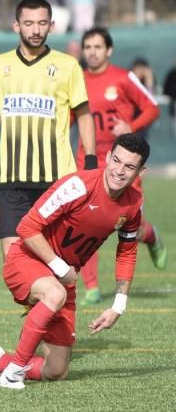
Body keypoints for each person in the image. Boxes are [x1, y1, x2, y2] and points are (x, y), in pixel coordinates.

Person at [0, 133, 150, 390]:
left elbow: (127, 251)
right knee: (54, 293)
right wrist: (59, 267)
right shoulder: (78, 185)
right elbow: (27, 227)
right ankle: (13, 373)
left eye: (129, 166)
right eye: (116, 160)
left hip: (63, 278)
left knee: (56, 371)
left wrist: (118, 306)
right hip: (27, 260)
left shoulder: (134, 204)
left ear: (141, 172)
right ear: (108, 157)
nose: (119, 171)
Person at [0, 0, 97, 259]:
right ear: (16, 26)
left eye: (42, 23)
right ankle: (37, 301)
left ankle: (52, 300)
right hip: (11, 181)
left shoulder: (68, 65)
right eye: (28, 23)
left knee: (56, 259)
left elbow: (84, 115)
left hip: (57, 180)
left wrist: (90, 162)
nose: (35, 30)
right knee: (13, 262)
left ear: (51, 26)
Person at [76, 28, 165, 305]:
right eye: (87, 46)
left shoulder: (123, 78)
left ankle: (150, 236)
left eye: (98, 46)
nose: (92, 51)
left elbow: (152, 108)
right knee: (84, 222)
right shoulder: (76, 80)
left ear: (109, 50)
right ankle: (91, 286)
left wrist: (131, 127)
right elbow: (69, 118)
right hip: (89, 160)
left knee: (127, 227)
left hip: (123, 163)